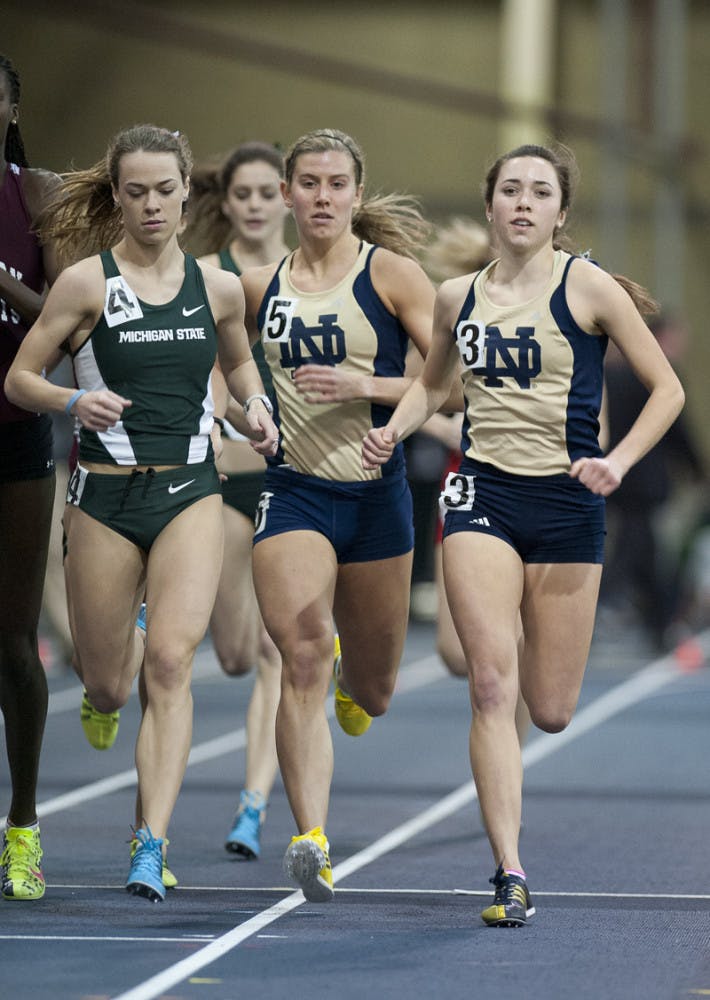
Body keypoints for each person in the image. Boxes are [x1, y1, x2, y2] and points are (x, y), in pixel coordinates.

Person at [362, 143, 685, 926]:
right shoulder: (455, 296)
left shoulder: (589, 289)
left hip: (570, 503)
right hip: (482, 498)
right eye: (511, 189)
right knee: (490, 685)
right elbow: (434, 384)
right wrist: (395, 429)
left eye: (541, 192)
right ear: (490, 205)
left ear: (560, 213)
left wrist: (617, 461)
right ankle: (508, 870)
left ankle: (513, 830)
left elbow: (668, 389)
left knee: (549, 709)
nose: (524, 202)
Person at [5, 123, 278, 903]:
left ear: (187, 193)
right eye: (136, 192)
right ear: (116, 197)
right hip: (105, 497)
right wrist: (72, 398)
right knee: (110, 687)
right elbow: (21, 379)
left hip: (191, 492)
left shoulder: (218, 288)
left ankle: (149, 842)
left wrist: (254, 410)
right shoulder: (86, 285)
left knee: (171, 667)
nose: (152, 205)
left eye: (165, 190)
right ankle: (107, 670)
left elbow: (238, 361)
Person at [240, 127, 436, 901]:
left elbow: (445, 380)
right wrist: (247, 406)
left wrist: (375, 396)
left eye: (335, 184)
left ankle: (361, 682)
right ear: (288, 194)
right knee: (305, 653)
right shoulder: (260, 287)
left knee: (375, 690)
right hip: (295, 492)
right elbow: (223, 359)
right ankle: (311, 838)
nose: (322, 197)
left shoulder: (392, 276)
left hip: (376, 497)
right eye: (309, 183)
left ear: (358, 192)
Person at [183, 141, 289, 859]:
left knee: (283, 653)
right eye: (241, 194)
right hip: (224, 475)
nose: (253, 205)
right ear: (225, 202)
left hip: (296, 481)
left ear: (285, 196)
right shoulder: (205, 276)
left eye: (264, 192)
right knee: (231, 654)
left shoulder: (312, 274)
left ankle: (253, 804)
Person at [0, 53, 61, 901]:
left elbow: (60, 315)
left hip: (13, 431)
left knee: (12, 642)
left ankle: (22, 824)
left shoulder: (36, 192)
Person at [600, 311, 706, 650]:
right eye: (674, 340)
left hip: (617, 472)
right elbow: (678, 429)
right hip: (640, 476)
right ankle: (602, 599)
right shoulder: (660, 375)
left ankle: (659, 625)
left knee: (645, 551)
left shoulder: (611, 372)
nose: (678, 348)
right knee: (634, 550)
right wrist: (698, 470)